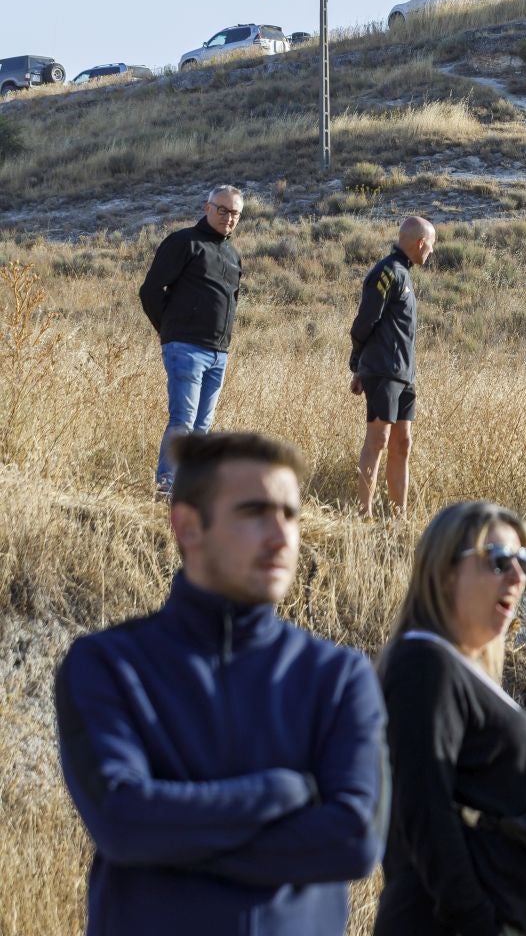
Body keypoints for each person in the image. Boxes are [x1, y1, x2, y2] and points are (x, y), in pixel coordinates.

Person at [55, 432, 387, 935]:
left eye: (290, 515)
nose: (281, 538)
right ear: (187, 525)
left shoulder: (337, 678)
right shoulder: (108, 665)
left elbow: (355, 840)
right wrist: (279, 792)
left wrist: (173, 839)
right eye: (254, 512)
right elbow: (123, 823)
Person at [373, 500, 526, 936]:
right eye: (498, 560)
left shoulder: (460, 671)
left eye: (524, 562)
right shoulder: (424, 665)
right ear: (445, 572)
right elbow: (424, 813)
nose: (517, 577)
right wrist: (481, 923)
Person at [139, 184, 246, 497]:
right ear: (207, 207)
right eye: (222, 210)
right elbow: (150, 291)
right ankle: (166, 487)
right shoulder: (183, 242)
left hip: (218, 353)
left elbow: (232, 300)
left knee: (202, 426)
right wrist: (167, 328)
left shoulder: (232, 255)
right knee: (183, 421)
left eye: (235, 213)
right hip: (185, 348)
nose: (228, 217)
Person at [351, 216, 434, 516]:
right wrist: (357, 364)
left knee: (403, 443)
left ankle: (399, 516)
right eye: (431, 246)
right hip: (382, 371)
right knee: (379, 440)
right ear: (420, 242)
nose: (431, 253)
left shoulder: (405, 275)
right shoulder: (387, 273)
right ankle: (365, 515)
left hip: (404, 375)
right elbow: (364, 322)